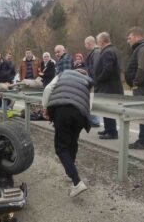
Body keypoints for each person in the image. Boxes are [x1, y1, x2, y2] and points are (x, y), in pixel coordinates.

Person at [42, 68, 93, 198]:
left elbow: (48, 89)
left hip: (63, 110)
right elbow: (90, 104)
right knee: (72, 142)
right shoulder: (88, 81)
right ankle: (70, 171)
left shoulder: (63, 74)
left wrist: (45, 107)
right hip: (80, 113)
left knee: (61, 147)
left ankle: (76, 181)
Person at [94, 32, 124, 139]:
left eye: (98, 43)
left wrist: (99, 79)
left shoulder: (107, 52)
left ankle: (111, 132)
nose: (97, 45)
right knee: (106, 109)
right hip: (111, 86)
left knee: (107, 109)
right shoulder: (114, 50)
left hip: (108, 87)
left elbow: (107, 69)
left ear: (102, 42)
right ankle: (108, 129)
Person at [84, 36, 101, 128]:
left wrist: (92, 81)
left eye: (85, 44)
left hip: (94, 81)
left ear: (89, 43)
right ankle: (93, 120)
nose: (85, 46)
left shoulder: (96, 52)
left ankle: (95, 120)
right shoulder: (95, 52)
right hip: (92, 80)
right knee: (91, 101)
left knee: (92, 101)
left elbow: (95, 68)